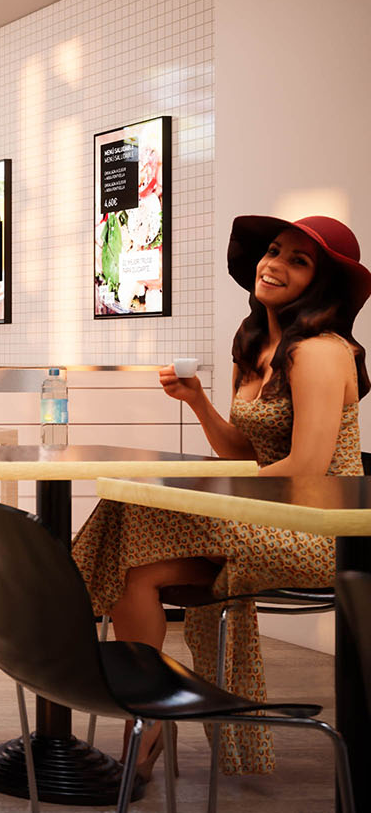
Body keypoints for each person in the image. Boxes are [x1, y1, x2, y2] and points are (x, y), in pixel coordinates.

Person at [73, 214, 369, 778]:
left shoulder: (321, 351)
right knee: (133, 568)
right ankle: (148, 719)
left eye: (298, 261)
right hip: (262, 517)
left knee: (132, 505)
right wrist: (197, 401)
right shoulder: (254, 343)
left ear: (323, 283)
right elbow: (242, 451)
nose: (274, 265)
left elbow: (307, 470)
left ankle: (60, 610)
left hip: (321, 529)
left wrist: (199, 490)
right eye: (274, 251)